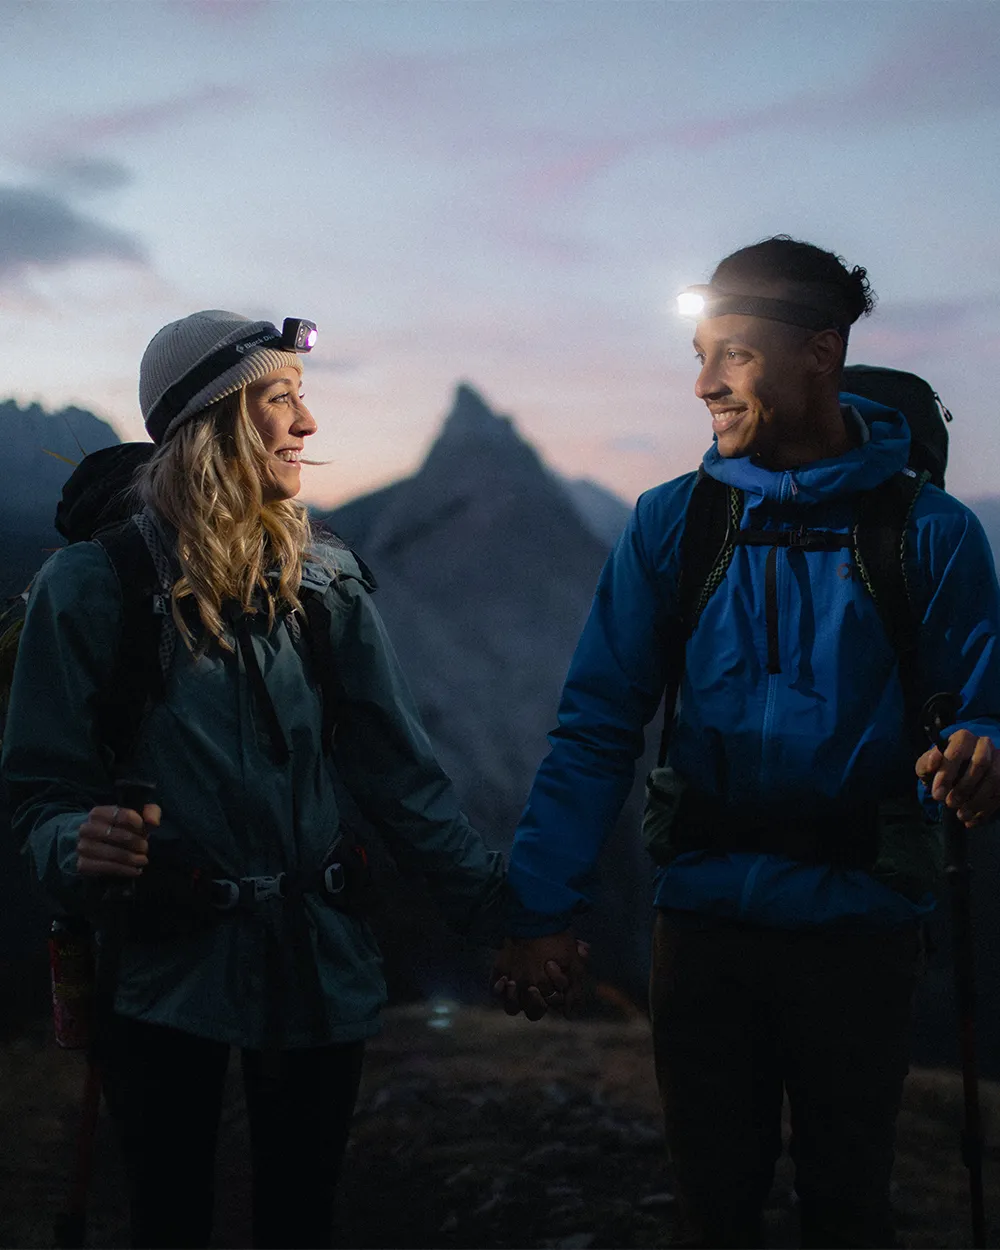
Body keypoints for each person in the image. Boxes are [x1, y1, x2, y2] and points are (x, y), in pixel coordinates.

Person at [492, 238, 1000, 1248]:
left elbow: (980, 699)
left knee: (846, 1203)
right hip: (705, 926)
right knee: (711, 1206)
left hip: (860, 929)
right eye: (696, 352)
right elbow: (597, 725)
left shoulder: (931, 535)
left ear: (819, 350)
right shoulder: (672, 524)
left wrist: (983, 740)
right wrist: (536, 905)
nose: (701, 383)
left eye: (730, 354)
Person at [2, 309, 506, 1250]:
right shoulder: (90, 586)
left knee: (300, 1216)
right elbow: (38, 790)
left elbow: (402, 779)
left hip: (314, 960)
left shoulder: (327, 584)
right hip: (159, 966)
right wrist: (77, 842)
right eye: (281, 400)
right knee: (169, 1215)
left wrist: (505, 921)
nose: (307, 427)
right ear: (216, 421)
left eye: (302, 400)